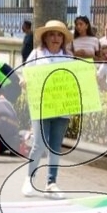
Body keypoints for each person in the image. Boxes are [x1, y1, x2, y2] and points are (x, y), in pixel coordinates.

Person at [22, 20, 75, 199]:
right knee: (39, 144)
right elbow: (25, 75)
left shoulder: (69, 57)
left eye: (59, 35)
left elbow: (75, 82)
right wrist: (26, 81)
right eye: (52, 34)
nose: (55, 38)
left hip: (62, 106)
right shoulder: (37, 54)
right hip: (41, 105)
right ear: (45, 37)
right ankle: (29, 178)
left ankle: (51, 183)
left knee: (55, 147)